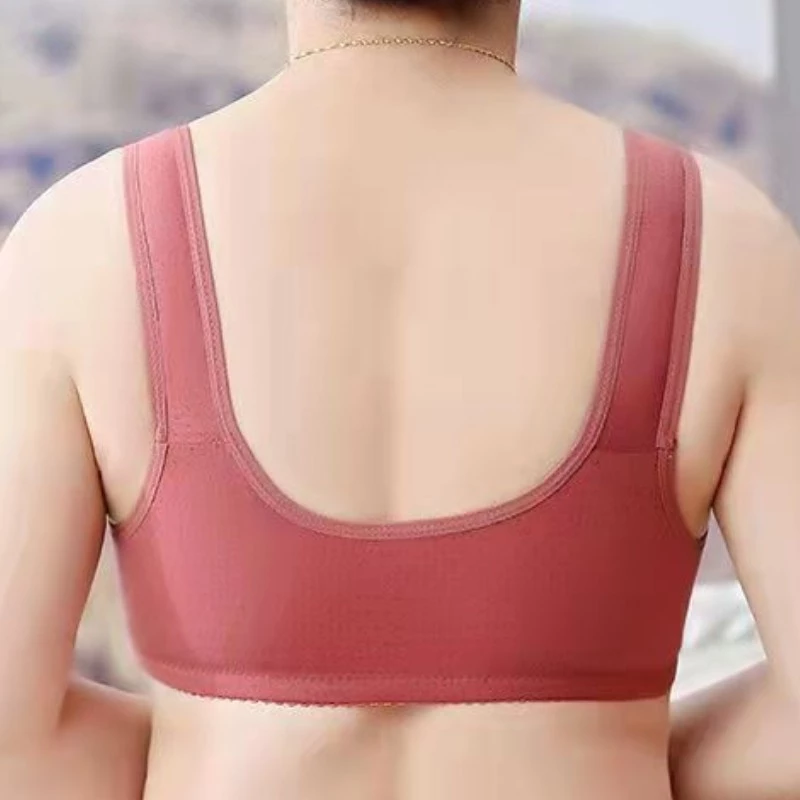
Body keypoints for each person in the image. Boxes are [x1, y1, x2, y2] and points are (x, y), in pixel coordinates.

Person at [0, 0, 798, 797]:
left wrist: (213, 747)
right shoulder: (728, 244)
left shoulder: (82, 243)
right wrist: (609, 750)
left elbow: (12, 742)